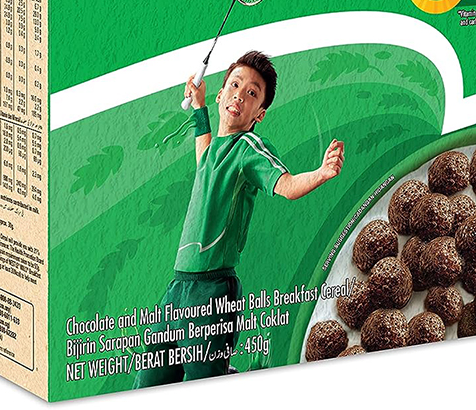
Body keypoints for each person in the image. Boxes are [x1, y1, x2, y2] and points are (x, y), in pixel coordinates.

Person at [133, 50, 344, 387]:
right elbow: (204, 153)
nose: (239, 96)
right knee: (147, 383)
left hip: (212, 291)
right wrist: (199, 107)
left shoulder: (248, 147)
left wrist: (321, 173)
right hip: (176, 289)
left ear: (259, 114)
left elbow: (287, 186)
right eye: (234, 85)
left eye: (251, 93)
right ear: (220, 94)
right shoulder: (212, 151)